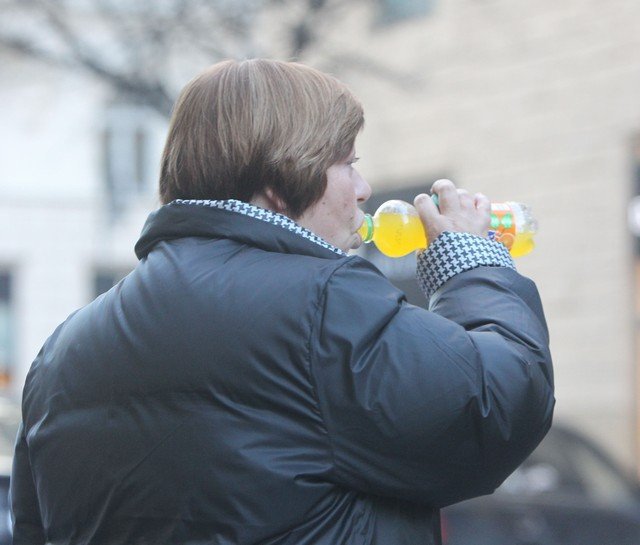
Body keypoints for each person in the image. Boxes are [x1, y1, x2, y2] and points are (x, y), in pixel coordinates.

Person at [10, 59, 554, 545]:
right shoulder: (324, 304)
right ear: (280, 176)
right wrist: (471, 264)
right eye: (345, 162)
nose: (363, 188)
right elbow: (495, 406)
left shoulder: (62, 350)